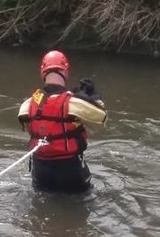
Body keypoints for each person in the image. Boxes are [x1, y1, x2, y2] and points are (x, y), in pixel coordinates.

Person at [17, 50, 108, 193]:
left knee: (41, 202)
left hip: (41, 171)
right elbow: (102, 118)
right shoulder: (73, 103)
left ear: (43, 73)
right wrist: (93, 98)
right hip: (70, 170)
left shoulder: (27, 104)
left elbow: (30, 130)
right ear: (65, 72)